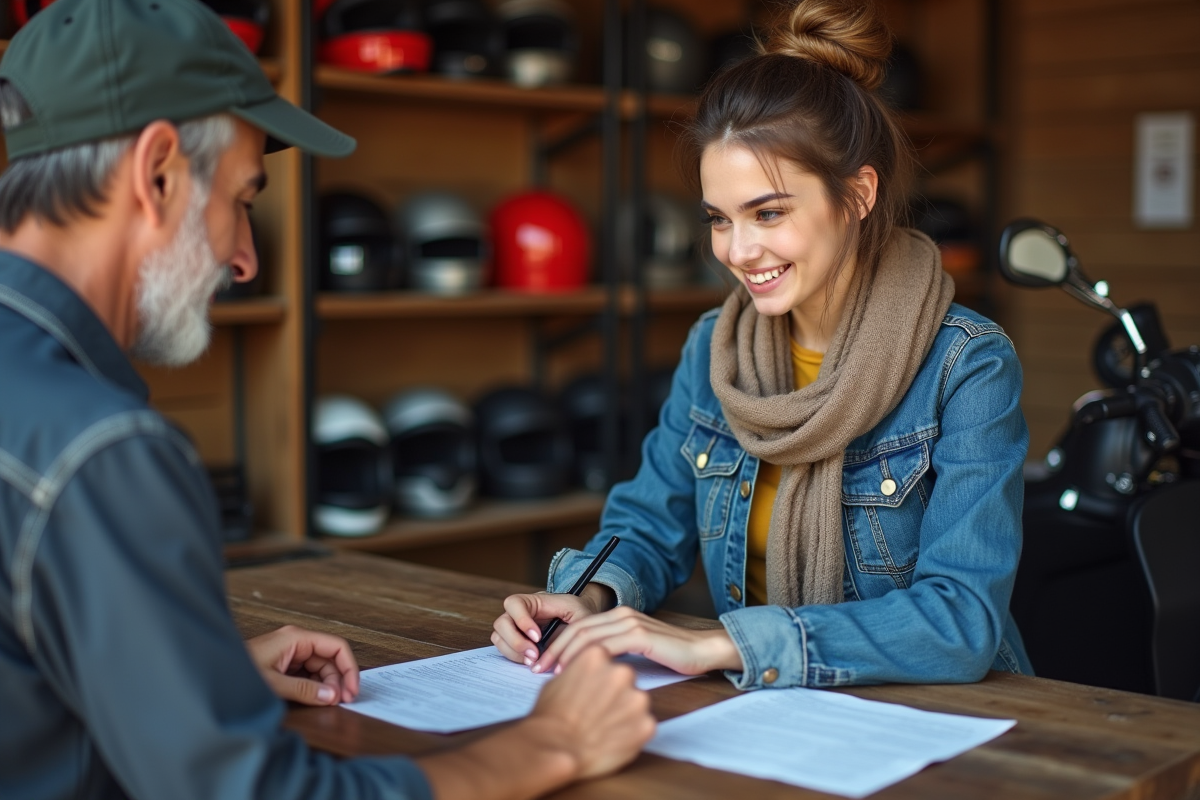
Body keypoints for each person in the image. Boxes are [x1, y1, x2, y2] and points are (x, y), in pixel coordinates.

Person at [0, 1, 653, 799]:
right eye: (243, 199)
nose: (244, 260)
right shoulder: (101, 451)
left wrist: (189, 679)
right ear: (158, 172)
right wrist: (550, 744)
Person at [493, 0, 1033, 690]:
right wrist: (588, 596)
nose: (739, 251)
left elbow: (960, 625)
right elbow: (650, 523)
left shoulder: (967, 364)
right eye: (719, 219)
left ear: (858, 194)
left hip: (943, 726)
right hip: (773, 716)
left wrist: (723, 646)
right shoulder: (713, 349)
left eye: (769, 213)